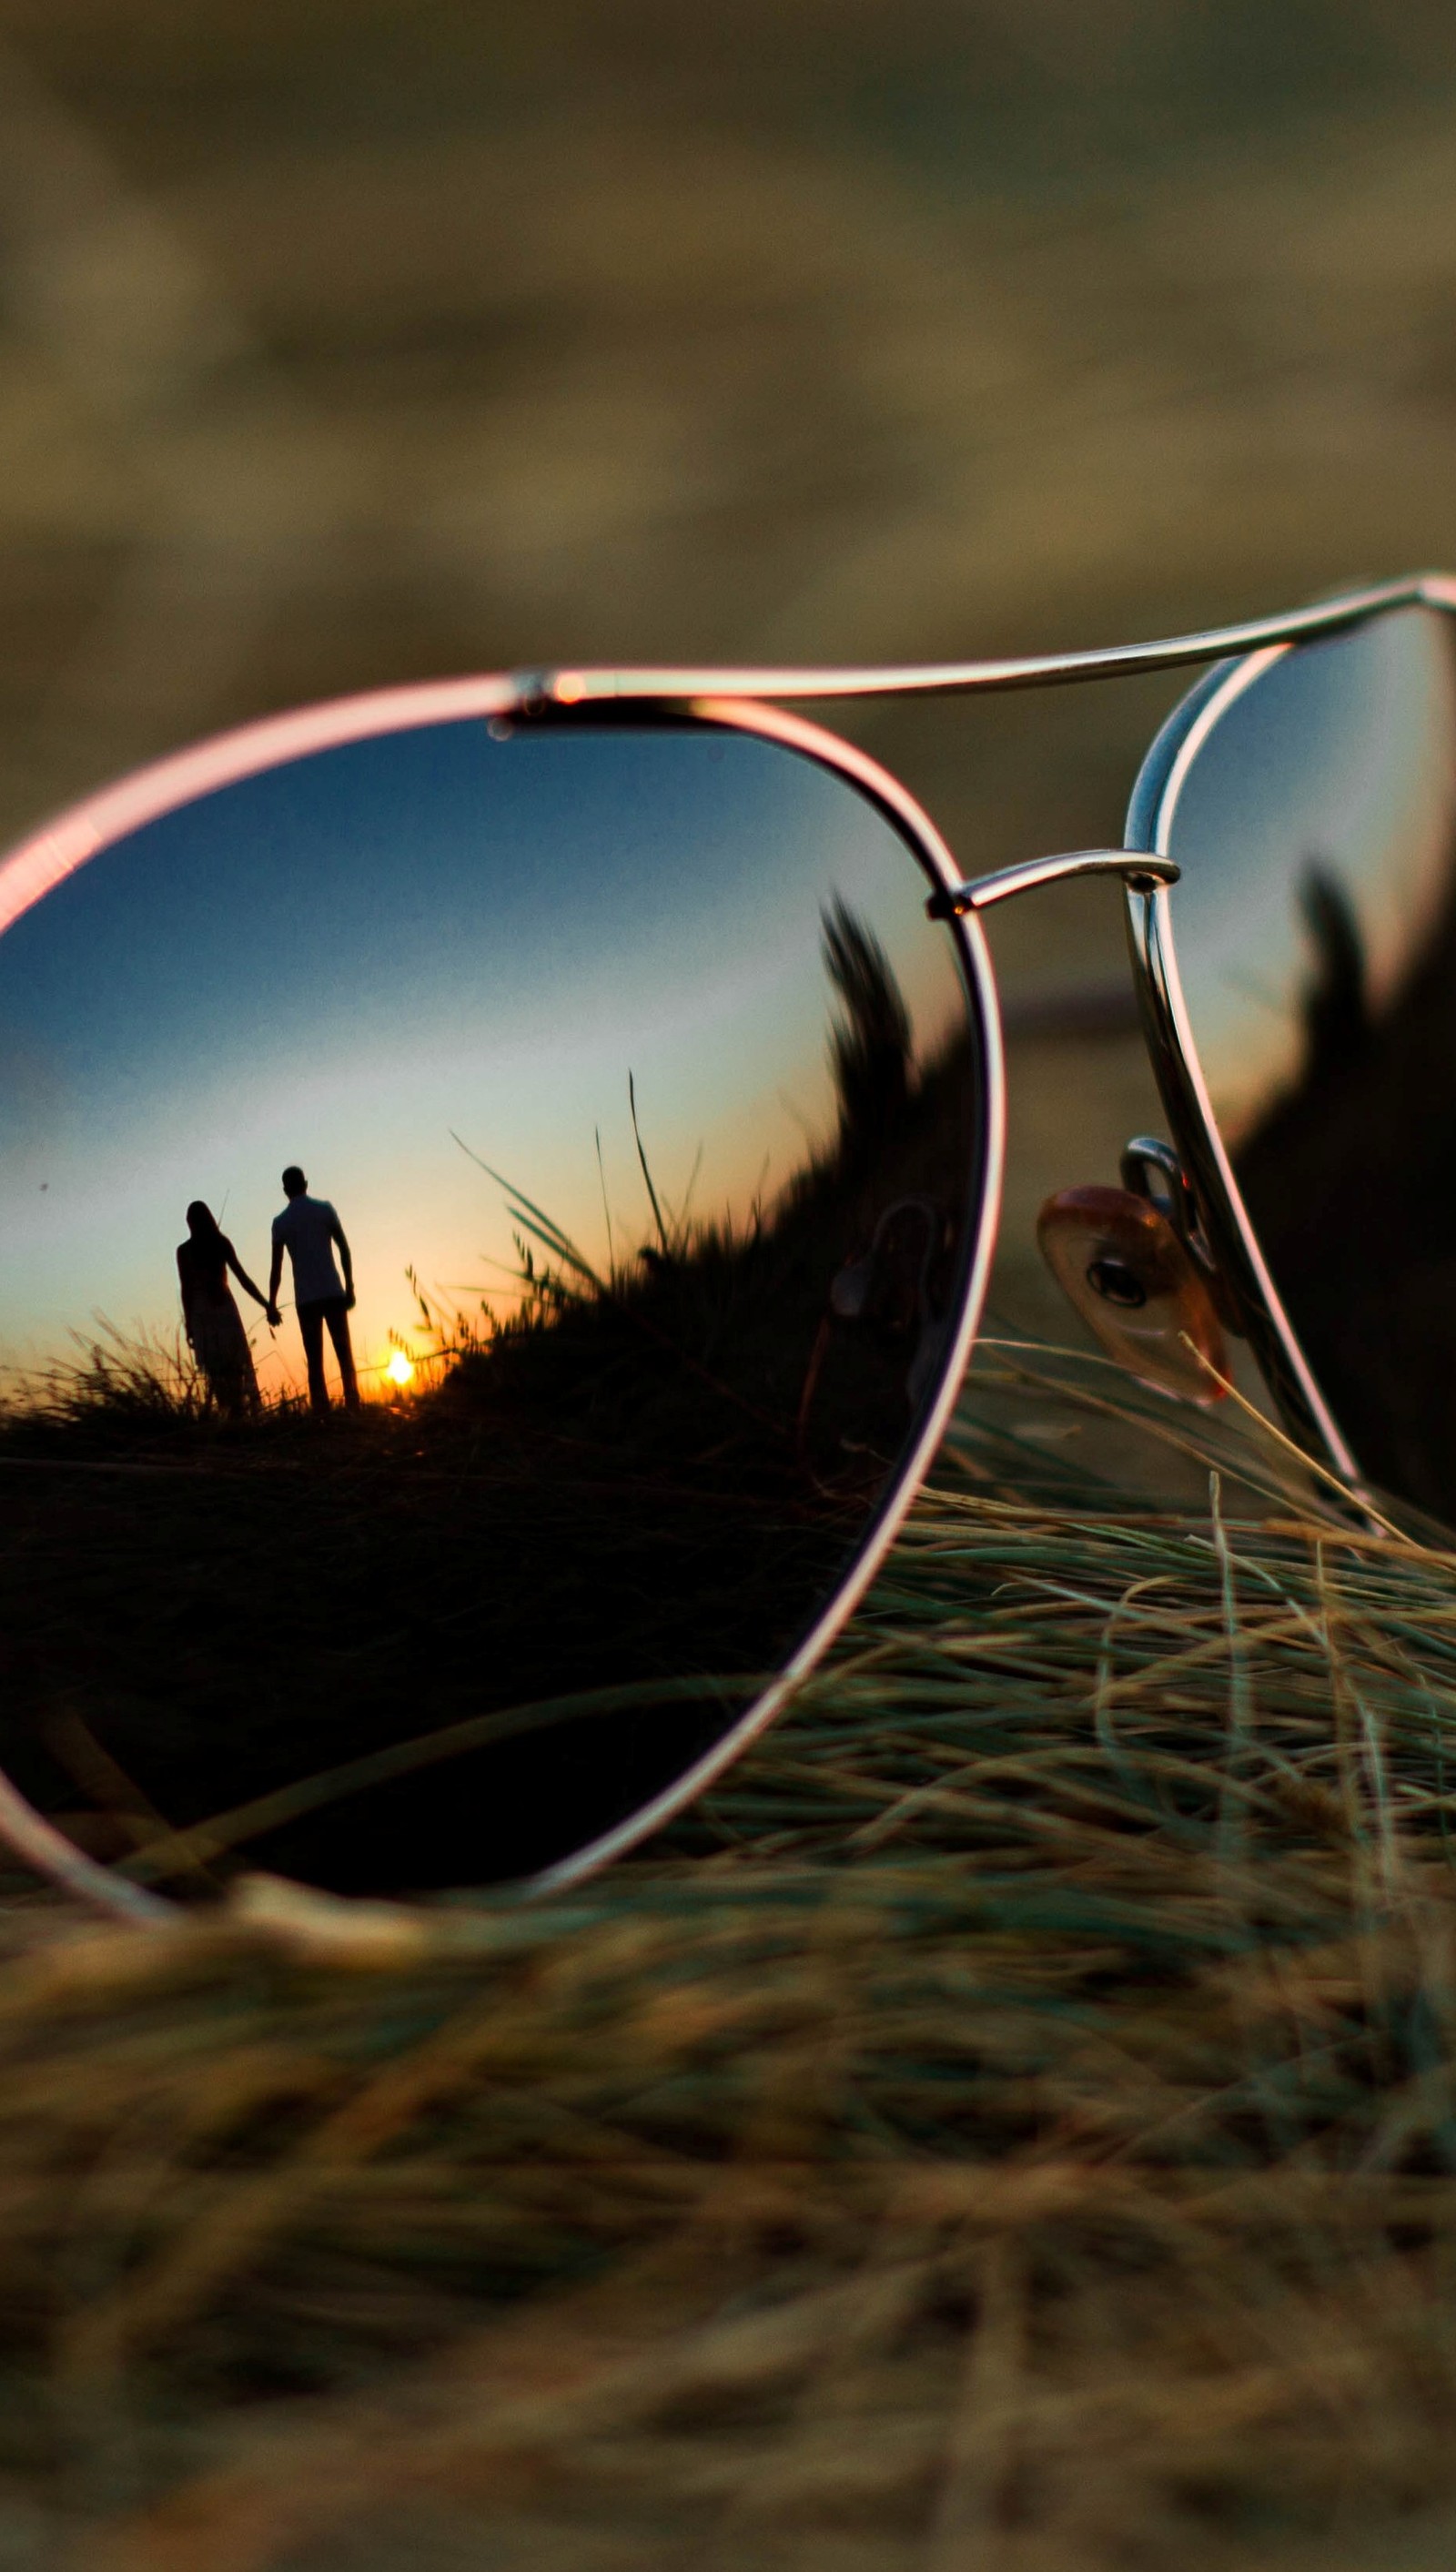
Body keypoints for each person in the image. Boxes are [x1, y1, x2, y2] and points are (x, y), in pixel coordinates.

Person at [268, 1165, 360, 1414]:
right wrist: (349, 1286)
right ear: (306, 1184)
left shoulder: (280, 1223)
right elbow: (344, 1249)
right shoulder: (325, 1210)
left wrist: (272, 1303)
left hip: (306, 1299)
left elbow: (276, 1268)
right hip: (332, 1291)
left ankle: (322, 1413)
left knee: (315, 1361)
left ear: (285, 1190)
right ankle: (354, 1406)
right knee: (344, 1353)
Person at [177, 1201, 270, 1415]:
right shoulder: (220, 1243)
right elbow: (243, 1279)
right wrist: (266, 1305)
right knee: (233, 1366)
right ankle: (239, 1414)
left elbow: (186, 1290)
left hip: (203, 1312)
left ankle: (231, 1413)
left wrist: (189, 1325)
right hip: (222, 1309)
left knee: (218, 1370)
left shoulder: (185, 1251)